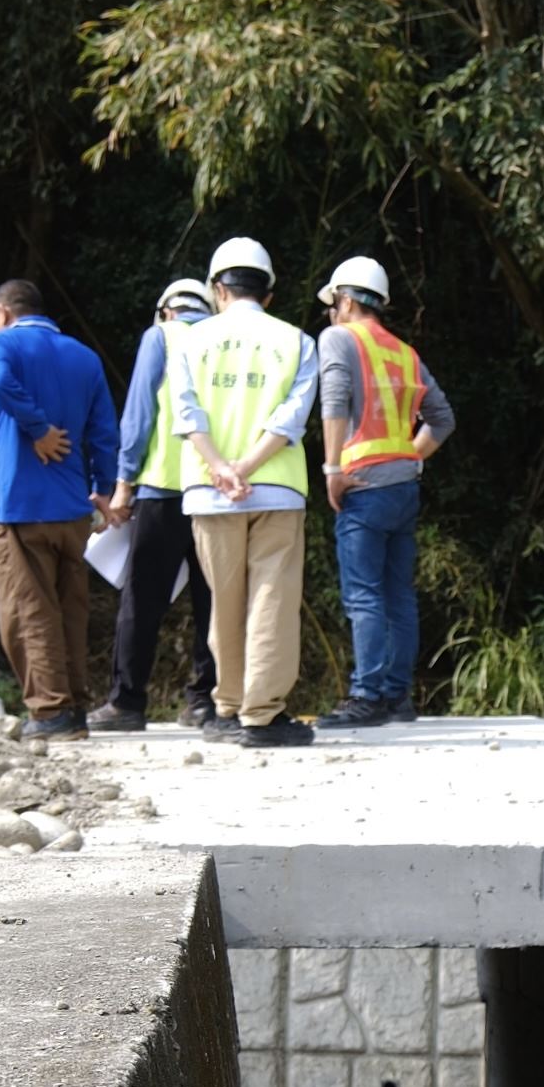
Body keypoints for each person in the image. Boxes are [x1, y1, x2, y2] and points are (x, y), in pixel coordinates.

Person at [170, 236, 320, 748]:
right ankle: (262, 715)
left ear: (218, 289)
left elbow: (187, 413)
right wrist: (249, 466)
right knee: (272, 598)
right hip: (276, 486)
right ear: (269, 293)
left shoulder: (188, 339)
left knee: (223, 599)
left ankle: (227, 707)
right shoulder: (299, 341)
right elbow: (291, 418)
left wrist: (221, 467)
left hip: (210, 490)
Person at [313, 254, 455, 730]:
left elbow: (333, 401)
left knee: (364, 596)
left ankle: (366, 696)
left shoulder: (338, 337)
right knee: (398, 596)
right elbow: (443, 419)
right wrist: (412, 457)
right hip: (403, 489)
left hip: (362, 486)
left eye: (334, 303)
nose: (332, 313)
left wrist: (332, 467)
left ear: (348, 300)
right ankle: (397, 698)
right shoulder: (404, 353)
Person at [0, 278, 120, 736]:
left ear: (2, 314)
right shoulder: (84, 356)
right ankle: (74, 708)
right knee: (69, 610)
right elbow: (103, 432)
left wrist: (37, 428)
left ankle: (50, 711)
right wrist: (102, 489)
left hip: (19, 506)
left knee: (28, 611)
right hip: (73, 508)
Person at [86, 276, 219, 733]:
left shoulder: (161, 336)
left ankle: (127, 702)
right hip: (216, 491)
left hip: (163, 489)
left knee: (142, 599)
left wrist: (123, 483)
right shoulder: (223, 339)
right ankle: (205, 701)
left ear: (166, 310)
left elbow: (140, 412)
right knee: (213, 601)